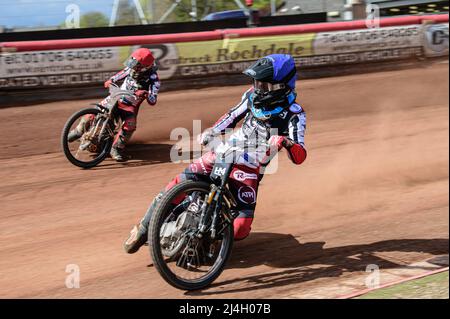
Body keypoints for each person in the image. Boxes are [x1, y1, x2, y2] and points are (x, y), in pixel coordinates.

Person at [124, 54, 307, 254]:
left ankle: (209, 237)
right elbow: (231, 116)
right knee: (179, 183)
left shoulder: (295, 114)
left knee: (240, 229)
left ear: (281, 86)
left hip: (250, 167)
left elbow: (300, 156)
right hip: (226, 150)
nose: (258, 88)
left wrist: (286, 142)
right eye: (257, 83)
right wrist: (213, 131)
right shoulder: (251, 96)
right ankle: (143, 228)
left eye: (265, 85)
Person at [68, 48, 161, 162]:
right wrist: (111, 80)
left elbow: (153, 100)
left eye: (136, 65)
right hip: (116, 97)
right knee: (96, 110)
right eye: (133, 61)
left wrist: (146, 94)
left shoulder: (154, 80)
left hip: (130, 105)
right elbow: (121, 74)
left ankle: (116, 148)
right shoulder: (132, 68)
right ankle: (78, 130)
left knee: (130, 125)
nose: (132, 66)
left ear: (144, 68)